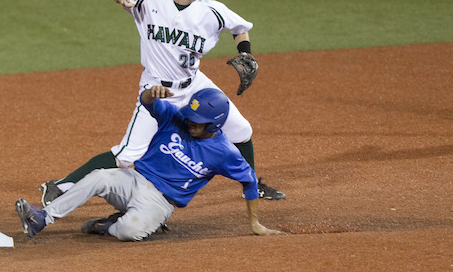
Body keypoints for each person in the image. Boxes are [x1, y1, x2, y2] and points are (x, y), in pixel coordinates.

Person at [38, 0, 285, 207]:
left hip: (195, 85)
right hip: (156, 89)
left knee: (241, 130)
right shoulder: (149, 0)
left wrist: (245, 52)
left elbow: (240, 28)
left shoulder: (212, 11)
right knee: (126, 155)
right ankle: (58, 186)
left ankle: (253, 185)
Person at [16, 86, 284, 241]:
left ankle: (110, 226)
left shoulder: (224, 152)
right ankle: (43, 217)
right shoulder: (176, 118)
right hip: (134, 180)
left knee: (129, 231)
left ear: (214, 124)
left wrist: (255, 224)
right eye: (190, 116)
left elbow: (249, 181)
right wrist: (150, 93)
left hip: (161, 202)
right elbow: (148, 104)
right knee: (99, 176)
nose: (190, 121)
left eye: (197, 120)